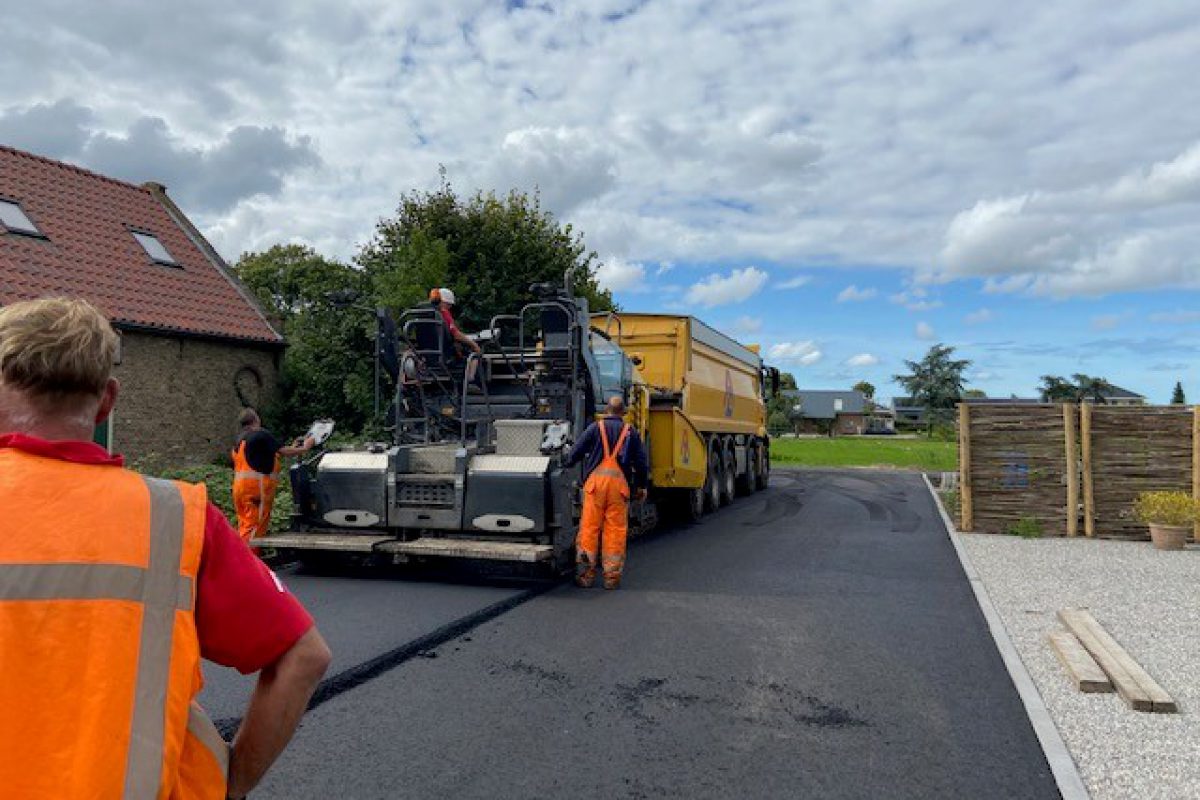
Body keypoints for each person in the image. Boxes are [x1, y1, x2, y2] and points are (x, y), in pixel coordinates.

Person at [0, 297, 332, 799]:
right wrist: (234, 781)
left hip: (243, 489)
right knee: (251, 526)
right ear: (109, 399)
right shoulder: (175, 517)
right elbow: (304, 656)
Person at [562, 395, 649, 589]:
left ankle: (585, 575)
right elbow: (642, 463)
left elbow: (575, 452)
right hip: (619, 489)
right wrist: (641, 486)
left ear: (606, 411)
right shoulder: (630, 432)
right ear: (623, 413)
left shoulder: (595, 428)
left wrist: (566, 463)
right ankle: (611, 578)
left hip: (595, 487)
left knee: (589, 529)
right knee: (615, 531)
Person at [232, 408, 314, 542]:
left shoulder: (240, 440)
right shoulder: (261, 434)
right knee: (254, 528)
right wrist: (305, 448)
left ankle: (240, 558)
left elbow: (265, 458)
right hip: (256, 490)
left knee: (245, 525)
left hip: (240, 490)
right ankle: (247, 561)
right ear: (256, 419)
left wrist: (293, 446)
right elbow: (284, 452)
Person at [431, 287, 482, 386]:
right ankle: (470, 382)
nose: (450, 307)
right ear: (444, 302)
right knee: (474, 353)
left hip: (429, 353)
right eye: (449, 304)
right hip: (446, 353)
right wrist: (473, 344)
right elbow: (456, 334)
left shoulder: (425, 314)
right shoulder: (443, 313)